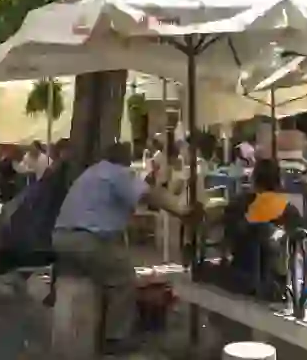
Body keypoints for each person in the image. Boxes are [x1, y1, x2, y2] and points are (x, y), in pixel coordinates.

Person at [52, 142, 198, 354]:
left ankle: (91, 336)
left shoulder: (92, 172)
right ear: (124, 160)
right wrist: (182, 211)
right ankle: (116, 338)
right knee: (122, 277)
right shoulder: (118, 173)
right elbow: (150, 195)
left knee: (100, 277)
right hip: (84, 240)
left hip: (61, 238)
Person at [221, 158, 302, 297]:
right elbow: (297, 246)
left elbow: (228, 241)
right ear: (279, 181)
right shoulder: (290, 210)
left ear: (254, 178)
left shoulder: (240, 204)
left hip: (242, 278)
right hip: (279, 283)